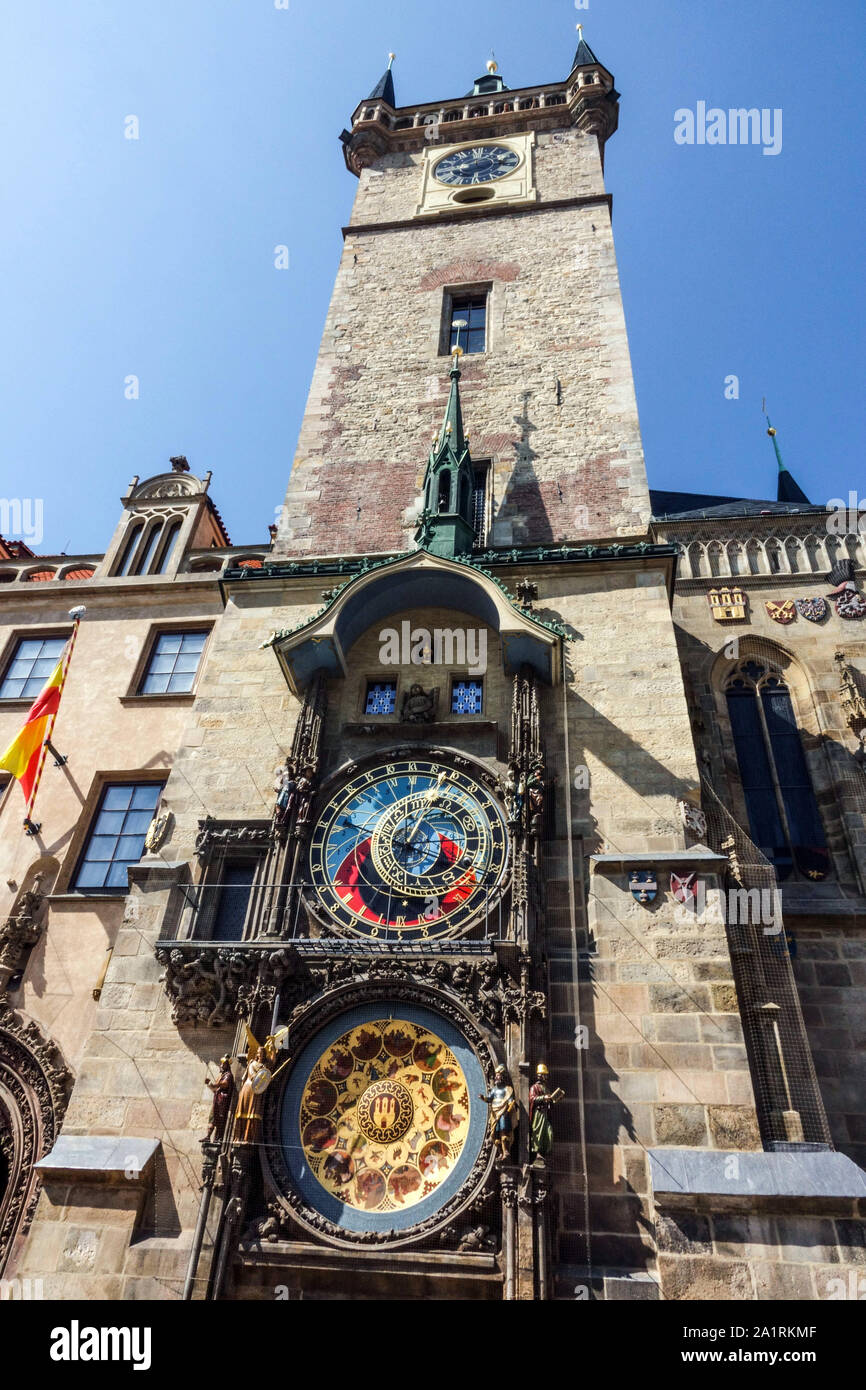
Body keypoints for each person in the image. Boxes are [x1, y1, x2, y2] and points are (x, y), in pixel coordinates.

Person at [479, 1064, 517, 1160]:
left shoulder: (507, 1089)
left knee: (504, 1131)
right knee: (495, 1133)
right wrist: (483, 1098)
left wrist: (509, 1107)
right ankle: (500, 1152)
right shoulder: (494, 1090)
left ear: (502, 1077)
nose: (496, 1077)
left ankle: (506, 1151)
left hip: (504, 1112)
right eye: (496, 1075)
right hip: (495, 1113)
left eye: (498, 1075)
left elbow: (510, 1099)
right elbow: (489, 1099)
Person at [528, 1063, 563, 1160]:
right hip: (538, 1114)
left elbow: (549, 1101)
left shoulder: (546, 1088)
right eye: (544, 1075)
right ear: (540, 1076)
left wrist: (554, 1099)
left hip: (546, 1113)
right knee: (538, 1133)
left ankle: (545, 1152)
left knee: (549, 1133)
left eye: (546, 1075)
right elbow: (532, 1099)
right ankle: (538, 1153)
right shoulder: (534, 1087)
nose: (546, 1077)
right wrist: (544, 1097)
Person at [204, 1055, 235, 1142]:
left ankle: (218, 1138)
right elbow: (215, 1089)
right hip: (217, 1101)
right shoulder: (221, 1076)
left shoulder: (228, 1075)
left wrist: (215, 1084)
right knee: (212, 1118)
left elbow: (225, 1084)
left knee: (219, 1119)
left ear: (227, 1066)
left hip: (222, 1102)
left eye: (223, 1064)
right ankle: (208, 1136)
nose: (221, 1066)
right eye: (221, 1064)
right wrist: (210, 1084)